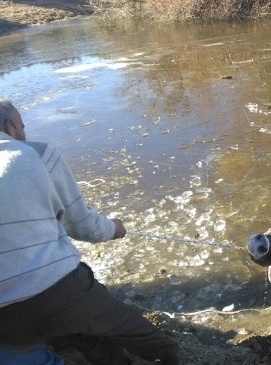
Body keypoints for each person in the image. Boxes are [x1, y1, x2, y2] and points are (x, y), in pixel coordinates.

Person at [0, 100, 183, 365]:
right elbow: (82, 225)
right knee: (127, 327)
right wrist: (114, 229)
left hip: (6, 327)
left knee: (75, 333)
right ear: (10, 127)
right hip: (58, 294)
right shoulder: (34, 153)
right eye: (23, 126)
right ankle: (172, 357)